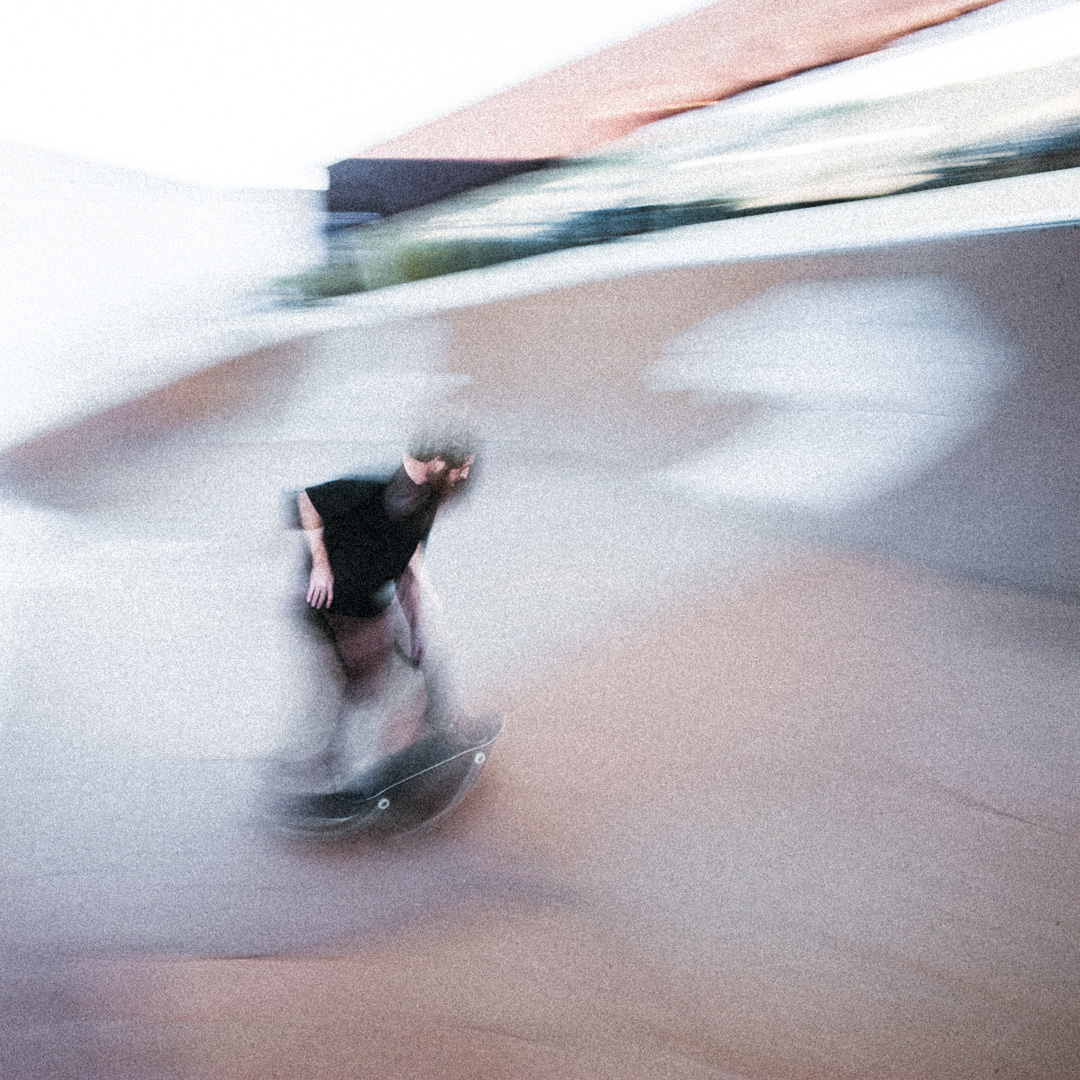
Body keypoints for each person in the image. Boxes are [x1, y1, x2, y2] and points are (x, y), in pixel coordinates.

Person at [290, 433, 476, 802]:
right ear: (437, 464)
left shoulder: (424, 509)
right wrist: (321, 566)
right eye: (461, 471)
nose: (464, 480)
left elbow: (408, 574)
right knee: (361, 691)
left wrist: (418, 629)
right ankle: (336, 781)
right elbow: (306, 501)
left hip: (371, 608)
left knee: (429, 663)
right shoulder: (370, 491)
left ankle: (434, 737)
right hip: (331, 611)